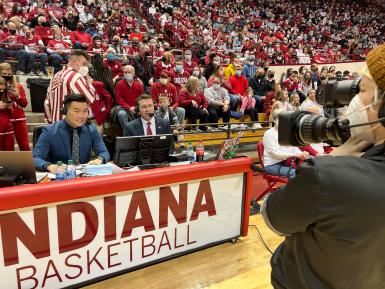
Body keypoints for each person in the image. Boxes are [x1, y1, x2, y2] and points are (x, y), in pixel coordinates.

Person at [261, 44, 385, 289]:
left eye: (362, 90)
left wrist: (331, 163)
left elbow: (272, 217)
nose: (355, 99)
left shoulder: (328, 176)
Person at [33, 94, 110, 173]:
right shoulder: (50, 131)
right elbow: (35, 158)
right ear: (66, 111)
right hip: (60, 178)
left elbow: (104, 152)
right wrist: (49, 166)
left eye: (85, 111)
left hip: (84, 177)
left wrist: (99, 159)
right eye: (76, 111)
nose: (81, 116)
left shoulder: (92, 130)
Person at [44, 49, 96, 123]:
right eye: (84, 64)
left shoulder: (56, 75)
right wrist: (89, 85)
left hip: (55, 125)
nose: (85, 67)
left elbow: (46, 102)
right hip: (71, 125)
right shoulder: (76, 76)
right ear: (75, 62)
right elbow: (90, 99)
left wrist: (50, 121)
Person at [263, 108, 309, 179]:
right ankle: (294, 190)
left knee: (310, 170)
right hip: (272, 165)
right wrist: (296, 155)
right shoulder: (269, 134)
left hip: (287, 162)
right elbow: (276, 154)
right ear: (275, 120)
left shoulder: (287, 132)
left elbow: (294, 148)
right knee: (296, 173)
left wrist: (302, 153)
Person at [0, 63, 29, 151]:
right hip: (4, 121)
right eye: (4, 74)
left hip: (19, 120)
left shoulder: (18, 86)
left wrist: (17, 96)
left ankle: (26, 164)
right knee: (8, 149)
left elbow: (24, 103)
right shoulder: (1, 86)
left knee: (24, 146)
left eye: (9, 74)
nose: (6, 76)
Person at [115, 65, 144, 135]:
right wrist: (129, 107)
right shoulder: (119, 84)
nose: (127, 74)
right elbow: (119, 99)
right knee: (121, 114)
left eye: (129, 72)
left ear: (133, 74)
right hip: (124, 108)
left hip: (136, 108)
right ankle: (127, 134)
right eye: (125, 72)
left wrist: (137, 108)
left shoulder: (139, 85)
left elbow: (142, 98)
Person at [0, 77, 14, 151]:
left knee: (10, 154)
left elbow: (10, 115)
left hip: (8, 130)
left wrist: (9, 108)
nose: (1, 90)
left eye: (3, 89)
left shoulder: (6, 96)